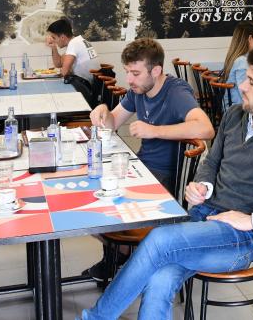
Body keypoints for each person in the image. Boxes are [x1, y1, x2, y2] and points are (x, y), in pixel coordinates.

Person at [77, 47, 253, 320]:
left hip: (244, 241)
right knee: (159, 277)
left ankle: (93, 318)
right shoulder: (234, 117)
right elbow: (211, 163)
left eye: (251, 82)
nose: (241, 86)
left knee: (159, 241)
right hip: (204, 219)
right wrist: (203, 185)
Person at [82, 38, 215, 283]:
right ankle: (123, 255)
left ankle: (123, 258)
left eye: (135, 73)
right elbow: (113, 122)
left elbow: (206, 129)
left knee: (98, 207)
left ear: (156, 71)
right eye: (127, 72)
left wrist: (155, 130)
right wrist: (102, 111)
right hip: (143, 169)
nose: (129, 80)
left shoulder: (176, 92)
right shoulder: (139, 90)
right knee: (87, 199)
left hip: (166, 179)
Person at [220, 21, 253, 109]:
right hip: (236, 111)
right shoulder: (241, 61)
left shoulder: (236, 57)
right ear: (250, 38)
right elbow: (245, 93)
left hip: (233, 107)